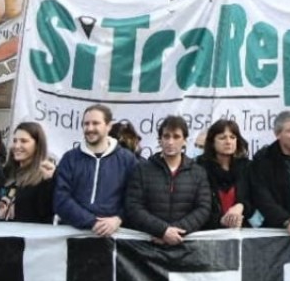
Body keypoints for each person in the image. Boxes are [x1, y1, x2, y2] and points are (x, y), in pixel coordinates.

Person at [54, 104, 140, 236]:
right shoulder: (69, 159)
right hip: (72, 236)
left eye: (95, 123)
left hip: (113, 238)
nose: (90, 128)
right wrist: (92, 222)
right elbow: (61, 199)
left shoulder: (127, 160)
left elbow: (134, 199)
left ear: (108, 126)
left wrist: (118, 219)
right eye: (86, 124)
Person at [125, 115, 213, 243]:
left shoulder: (198, 172)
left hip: (186, 245)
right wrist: (162, 231)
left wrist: (175, 233)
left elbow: (203, 208)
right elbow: (133, 206)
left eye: (176, 137)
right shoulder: (142, 170)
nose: (170, 142)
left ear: (185, 141)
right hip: (149, 245)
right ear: (160, 140)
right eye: (166, 136)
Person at [0, 122, 56, 224]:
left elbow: (46, 212)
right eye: (15, 141)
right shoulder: (5, 173)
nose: (17, 146)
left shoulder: (45, 177)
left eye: (24, 141)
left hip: (28, 233)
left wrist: (49, 182)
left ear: (37, 145)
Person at [199, 119, 253, 230]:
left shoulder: (247, 167)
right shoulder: (199, 169)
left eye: (232, 137)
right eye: (222, 138)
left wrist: (241, 206)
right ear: (212, 142)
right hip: (210, 232)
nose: (228, 142)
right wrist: (220, 221)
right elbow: (197, 206)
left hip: (244, 232)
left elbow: (256, 200)